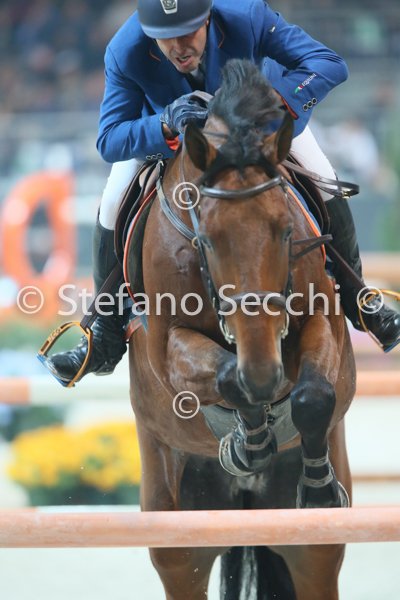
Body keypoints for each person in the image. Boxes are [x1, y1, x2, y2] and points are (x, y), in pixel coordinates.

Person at [47, 0, 400, 386]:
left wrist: (274, 104)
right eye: (165, 39)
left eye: (188, 33)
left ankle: (360, 299)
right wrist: (163, 123)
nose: (178, 47)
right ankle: (105, 332)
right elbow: (109, 139)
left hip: (257, 129)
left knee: (320, 173)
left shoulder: (246, 16)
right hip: (176, 142)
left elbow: (329, 63)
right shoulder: (125, 49)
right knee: (112, 201)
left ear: (208, 19)